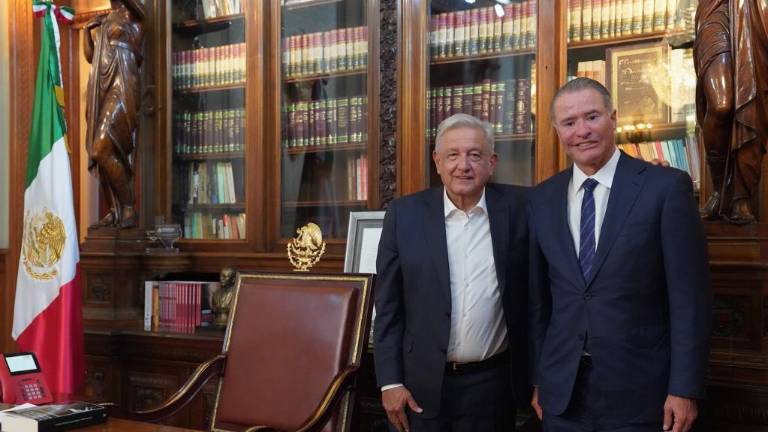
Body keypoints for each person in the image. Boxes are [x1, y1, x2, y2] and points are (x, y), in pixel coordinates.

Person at [528, 78, 711, 432]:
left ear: (613, 118)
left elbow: (690, 300)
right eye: (569, 122)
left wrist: (684, 388)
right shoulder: (541, 200)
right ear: (556, 131)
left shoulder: (666, 189)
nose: (582, 130)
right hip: (562, 393)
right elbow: (539, 302)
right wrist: (540, 378)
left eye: (592, 117)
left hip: (644, 394)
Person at [374, 113, 529, 432]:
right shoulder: (404, 216)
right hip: (419, 389)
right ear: (437, 161)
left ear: (492, 162)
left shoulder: (522, 209)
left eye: (475, 155)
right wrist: (389, 382)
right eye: (453, 155)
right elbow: (388, 308)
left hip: (494, 387)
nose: (464, 165)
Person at [694, 0, 768, 223]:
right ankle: (718, 189)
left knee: (753, 104)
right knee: (721, 105)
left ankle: (741, 197)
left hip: (757, 13)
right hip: (716, 12)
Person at [84, 0, 145, 228]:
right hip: (102, 88)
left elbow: (143, 11)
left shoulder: (134, 13)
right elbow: (92, 57)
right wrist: (87, 31)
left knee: (101, 148)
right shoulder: (106, 19)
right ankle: (115, 210)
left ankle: (128, 206)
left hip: (124, 86)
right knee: (99, 151)